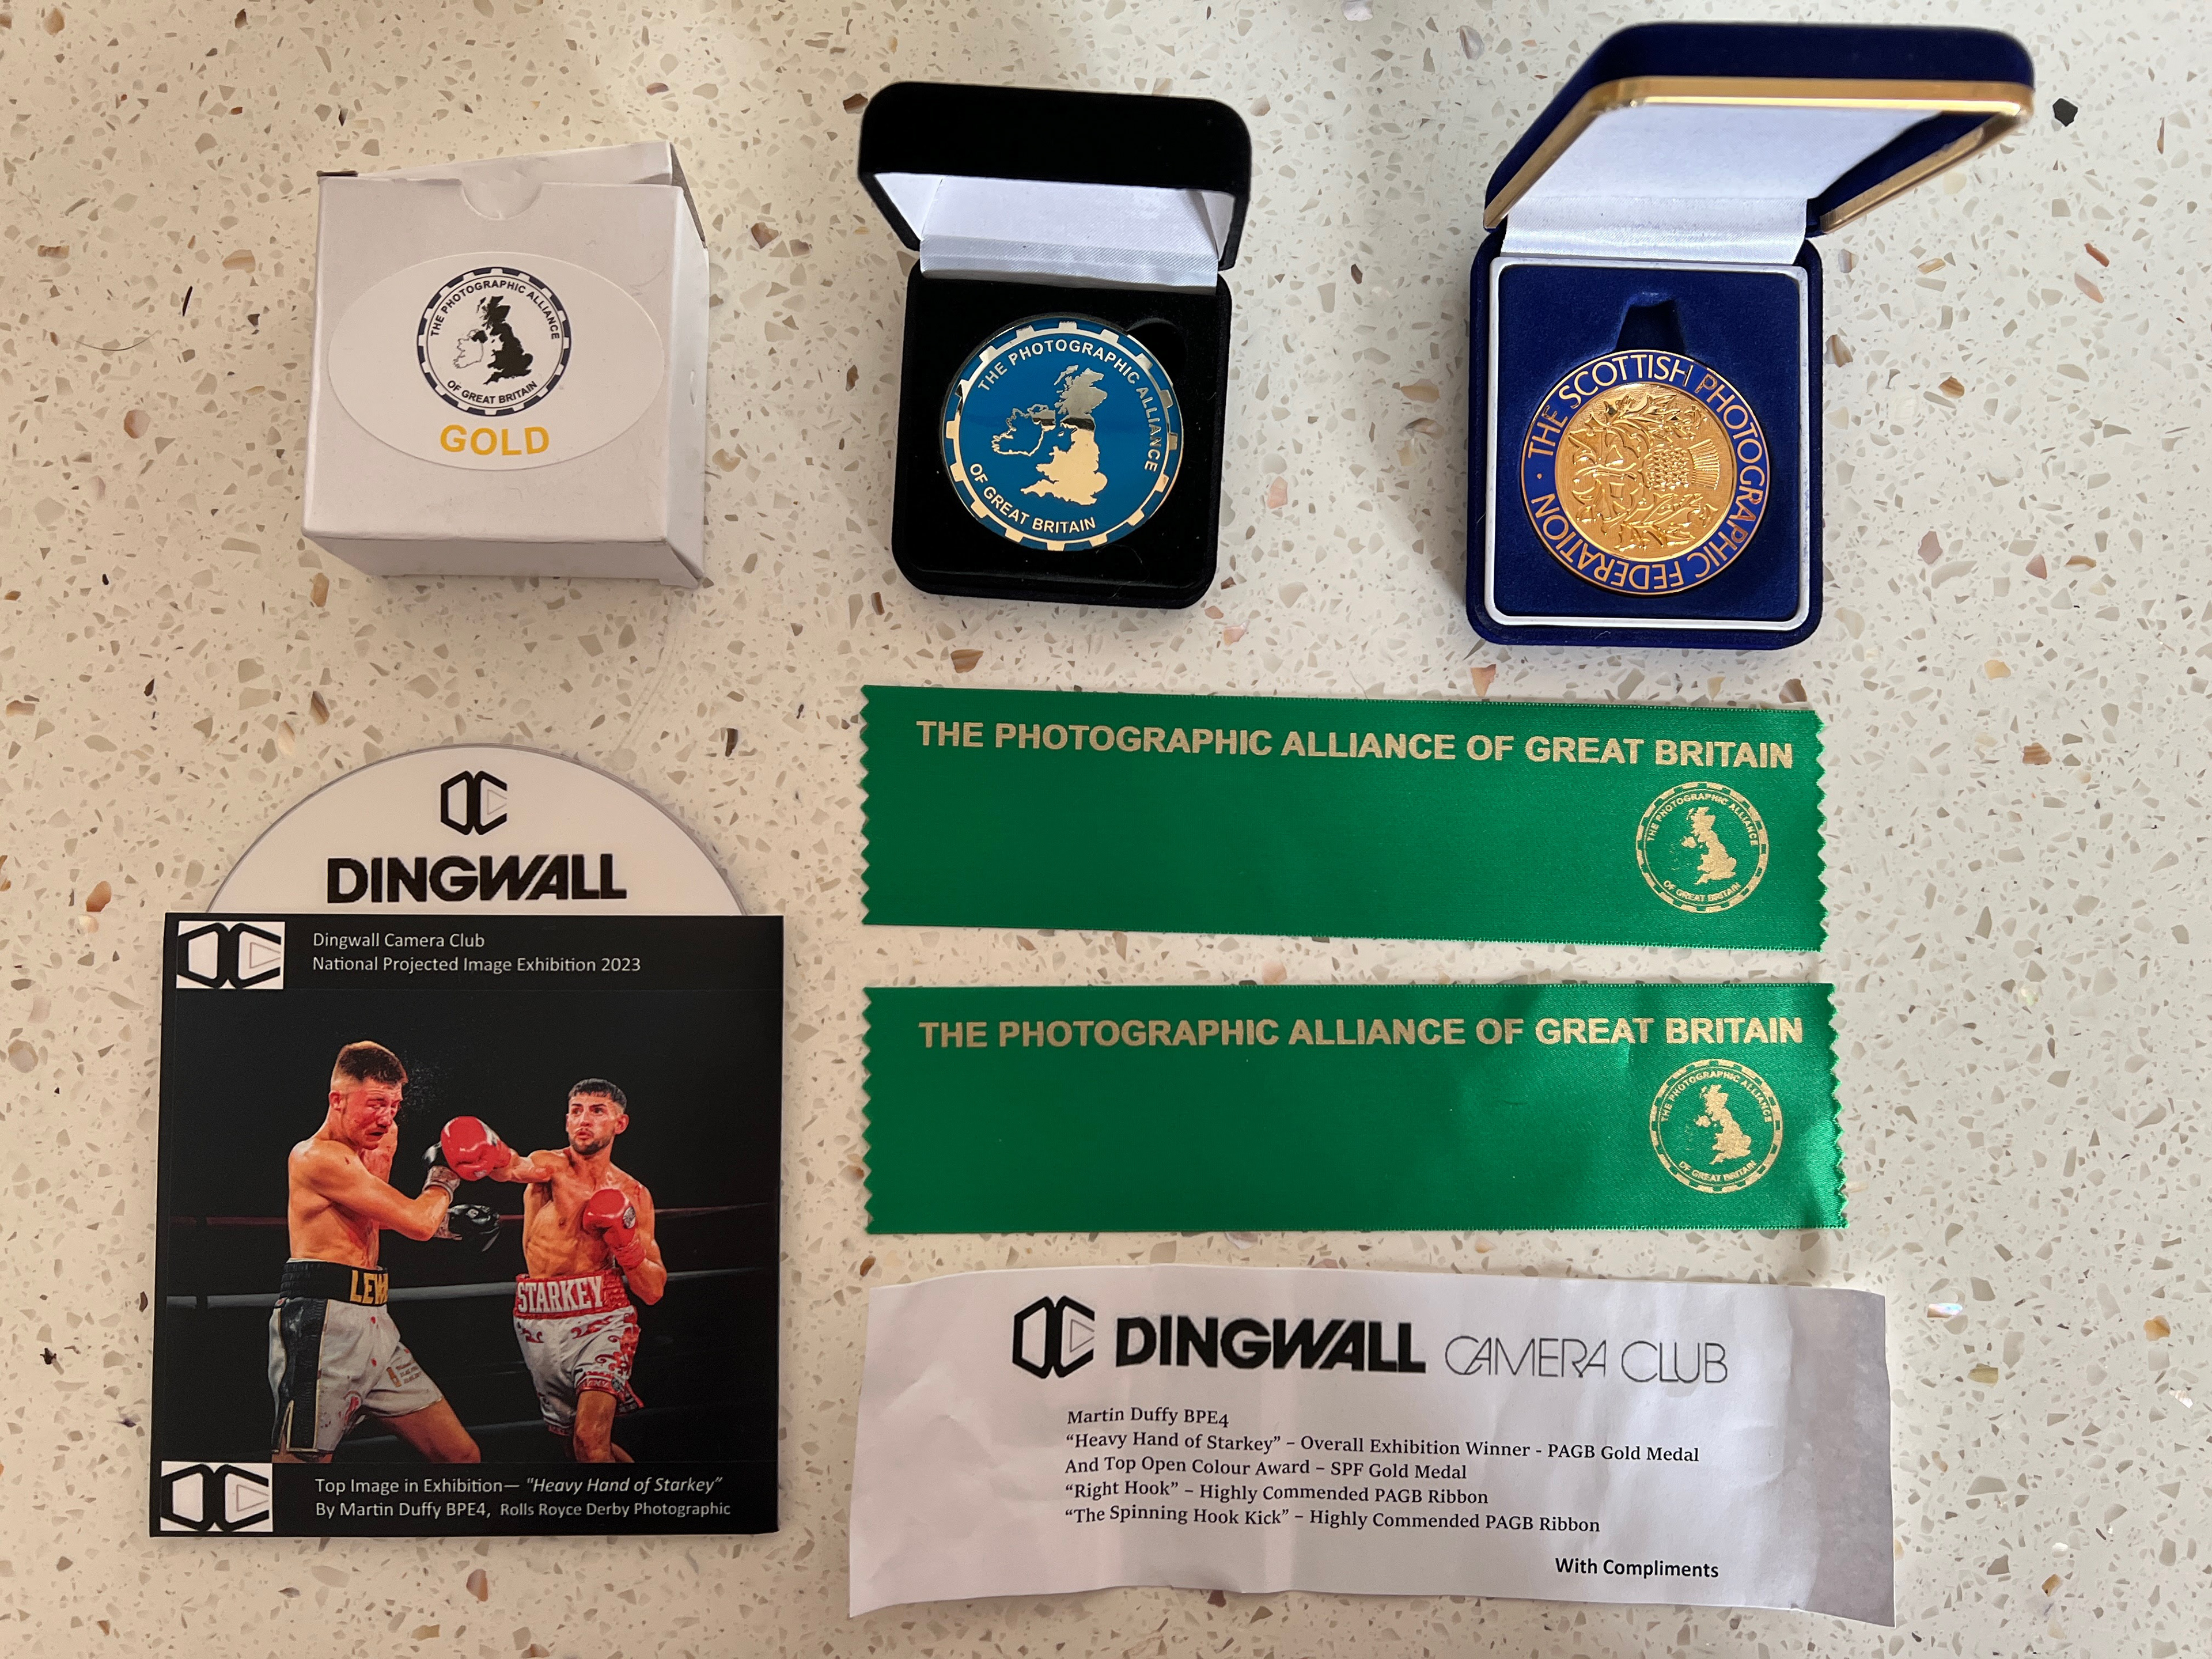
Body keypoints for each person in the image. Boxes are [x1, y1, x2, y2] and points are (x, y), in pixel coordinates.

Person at [270, 1041, 497, 1464]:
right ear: (337, 1100)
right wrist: (444, 1177)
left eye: (394, 1105)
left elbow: (381, 1216)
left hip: (375, 1321)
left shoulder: (381, 1141)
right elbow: (417, 1222)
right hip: (322, 1325)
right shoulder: (316, 1157)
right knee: (300, 1473)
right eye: (375, 1104)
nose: (386, 1117)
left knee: (461, 1456)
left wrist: (447, 1225)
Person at [448, 1081, 665, 1462]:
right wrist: (493, 1152)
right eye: (576, 1111)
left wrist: (626, 1244)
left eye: (597, 1111)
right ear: (566, 1121)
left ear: (620, 1123)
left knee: (589, 1440)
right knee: (576, 1446)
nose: (584, 1119)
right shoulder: (551, 1167)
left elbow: (653, 1289)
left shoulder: (635, 1194)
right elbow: (514, 1167)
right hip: (540, 1318)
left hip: (603, 1318)